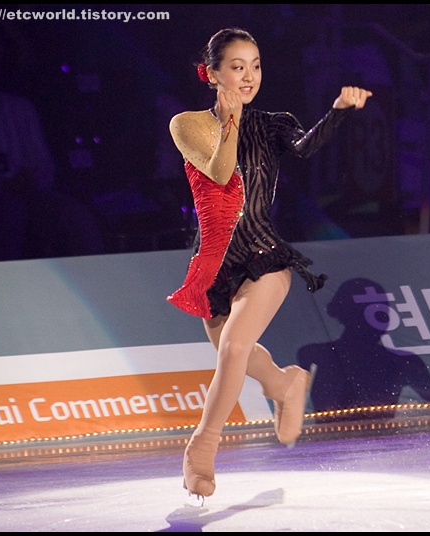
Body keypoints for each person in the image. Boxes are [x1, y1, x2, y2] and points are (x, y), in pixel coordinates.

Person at [165, 27, 372, 504]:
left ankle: (201, 450)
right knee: (230, 351)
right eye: (237, 67)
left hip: (264, 254)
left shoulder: (273, 123)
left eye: (256, 65)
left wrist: (338, 112)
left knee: (235, 348)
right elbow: (219, 171)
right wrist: (231, 119)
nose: (249, 76)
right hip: (214, 263)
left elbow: (306, 146)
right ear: (212, 74)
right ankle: (287, 382)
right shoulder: (187, 125)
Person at [0, 25, 105, 262]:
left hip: (29, 195)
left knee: (74, 213)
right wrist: (0, 185)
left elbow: (43, 165)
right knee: (9, 213)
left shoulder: (20, 109)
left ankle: (96, 279)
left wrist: (29, 181)